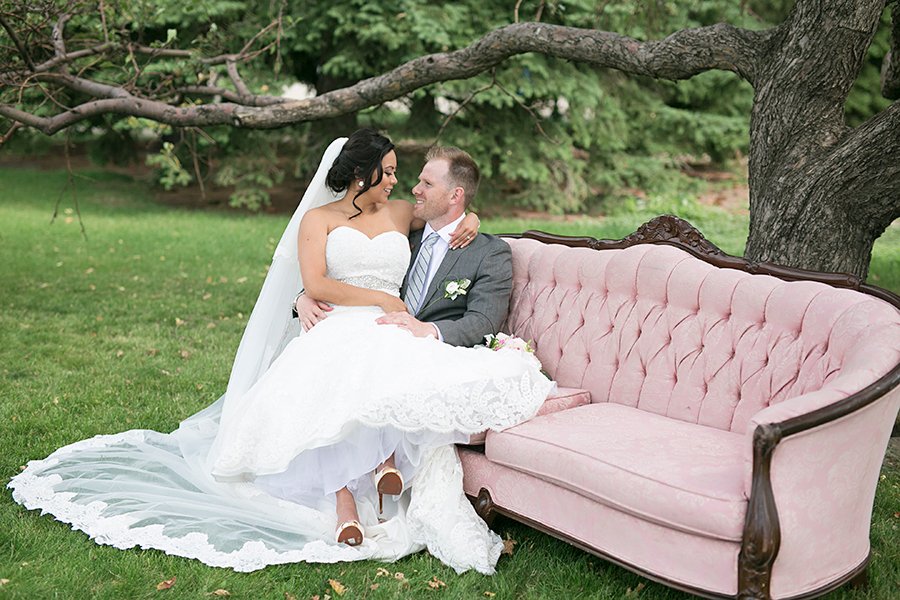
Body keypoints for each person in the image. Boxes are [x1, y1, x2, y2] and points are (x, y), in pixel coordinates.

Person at [8, 129, 553, 575]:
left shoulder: (402, 219)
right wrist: (310, 296)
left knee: (372, 361)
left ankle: (376, 471)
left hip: (390, 330)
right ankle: (350, 494)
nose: (402, 182)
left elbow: (449, 224)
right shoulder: (320, 219)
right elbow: (315, 278)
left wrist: (471, 219)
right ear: (362, 176)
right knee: (333, 369)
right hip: (347, 322)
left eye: (410, 177)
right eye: (389, 172)